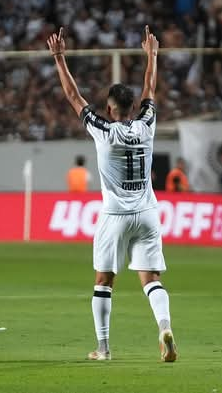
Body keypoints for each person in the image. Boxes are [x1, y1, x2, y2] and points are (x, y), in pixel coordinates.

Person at [47, 26, 176, 362]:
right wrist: (152, 55)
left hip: (115, 215)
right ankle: (164, 327)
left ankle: (103, 348)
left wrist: (60, 58)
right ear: (133, 108)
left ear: (109, 110)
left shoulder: (103, 131)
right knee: (151, 279)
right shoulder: (147, 122)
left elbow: (74, 97)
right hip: (147, 213)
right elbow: (150, 86)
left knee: (103, 282)